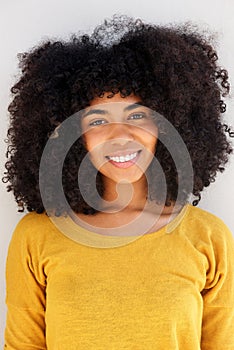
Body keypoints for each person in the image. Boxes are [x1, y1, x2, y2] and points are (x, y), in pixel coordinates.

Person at [2, 14, 234, 349]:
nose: (120, 136)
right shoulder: (36, 235)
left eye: (137, 115)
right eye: (97, 120)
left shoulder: (207, 237)